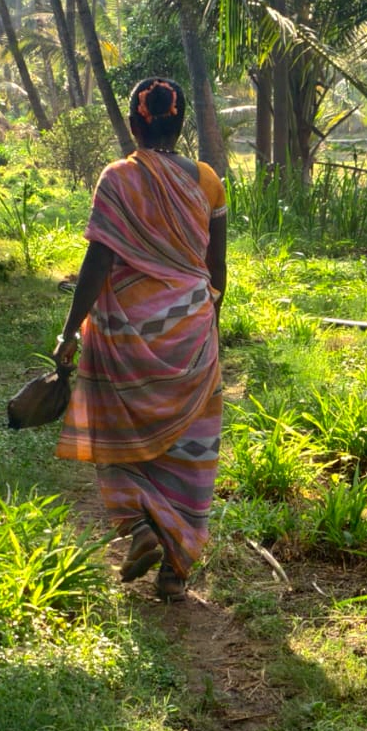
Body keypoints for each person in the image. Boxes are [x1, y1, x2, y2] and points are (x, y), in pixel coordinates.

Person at [51, 77, 226, 602]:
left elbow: (98, 260)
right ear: (181, 125)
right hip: (191, 330)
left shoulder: (117, 178)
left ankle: (141, 528)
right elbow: (216, 270)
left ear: (134, 126)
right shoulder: (207, 179)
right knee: (189, 451)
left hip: (127, 332)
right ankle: (176, 567)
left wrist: (68, 330)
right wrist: (205, 331)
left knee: (116, 433)